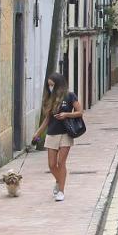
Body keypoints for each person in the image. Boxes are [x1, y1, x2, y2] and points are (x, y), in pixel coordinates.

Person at [32, 73, 82, 202]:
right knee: (52, 164)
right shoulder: (50, 98)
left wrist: (66, 114)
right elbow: (47, 119)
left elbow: (79, 112)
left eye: (52, 85)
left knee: (61, 162)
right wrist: (37, 133)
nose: (50, 87)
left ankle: (61, 191)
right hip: (52, 133)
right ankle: (59, 181)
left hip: (66, 133)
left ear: (59, 84)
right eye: (49, 85)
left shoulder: (70, 96)